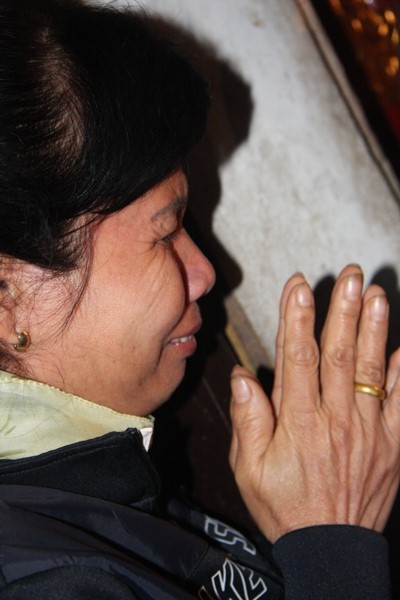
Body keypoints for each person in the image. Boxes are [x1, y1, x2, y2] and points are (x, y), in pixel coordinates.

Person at [0, 1, 399, 598]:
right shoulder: (45, 583)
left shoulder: (100, 477)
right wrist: (333, 545)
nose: (206, 273)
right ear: (8, 300)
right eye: (165, 233)